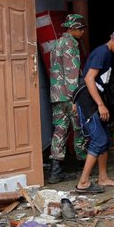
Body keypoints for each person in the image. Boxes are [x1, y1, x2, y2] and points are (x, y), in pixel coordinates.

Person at [73, 26, 114, 193]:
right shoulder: (102, 52)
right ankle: (83, 183)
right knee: (98, 140)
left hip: (95, 99)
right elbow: (89, 78)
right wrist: (100, 105)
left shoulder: (107, 53)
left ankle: (103, 178)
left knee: (105, 138)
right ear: (113, 38)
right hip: (88, 101)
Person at [46, 14, 87, 183]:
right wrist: (75, 98)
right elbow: (71, 74)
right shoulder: (71, 44)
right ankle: (84, 165)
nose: (83, 32)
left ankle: (56, 172)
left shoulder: (56, 44)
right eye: (81, 29)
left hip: (56, 95)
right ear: (74, 29)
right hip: (70, 97)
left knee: (60, 132)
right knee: (80, 129)